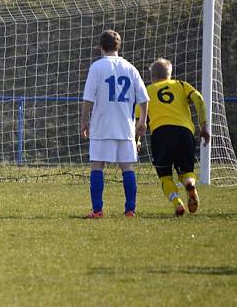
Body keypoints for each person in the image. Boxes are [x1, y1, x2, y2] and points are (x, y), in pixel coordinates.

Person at [80, 30, 149, 218]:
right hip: (126, 127)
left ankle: (97, 210)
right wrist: (142, 121)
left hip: (102, 125)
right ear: (118, 47)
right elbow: (144, 98)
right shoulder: (130, 68)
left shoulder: (97, 67)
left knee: (97, 166)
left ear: (101, 47)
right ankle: (130, 210)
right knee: (127, 167)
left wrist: (84, 122)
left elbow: (88, 99)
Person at [136, 58, 209, 217]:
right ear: (170, 74)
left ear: (152, 76)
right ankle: (190, 184)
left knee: (165, 176)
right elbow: (199, 99)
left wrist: (137, 141)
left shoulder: (146, 91)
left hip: (161, 134)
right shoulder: (181, 85)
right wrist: (204, 126)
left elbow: (138, 121)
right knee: (186, 172)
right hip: (184, 132)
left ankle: (177, 202)